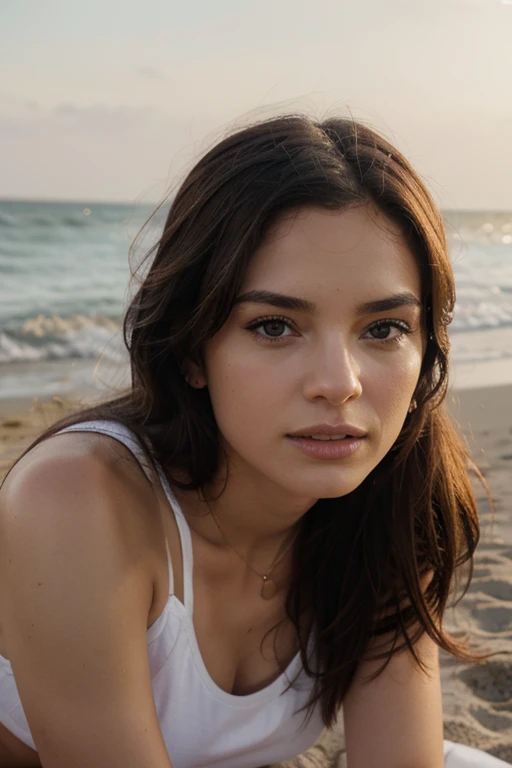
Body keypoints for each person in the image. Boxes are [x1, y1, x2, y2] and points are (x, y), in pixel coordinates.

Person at [0, 114, 509, 768]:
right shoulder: (76, 498)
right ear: (190, 348)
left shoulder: (393, 500)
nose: (340, 384)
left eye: (383, 328)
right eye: (274, 326)